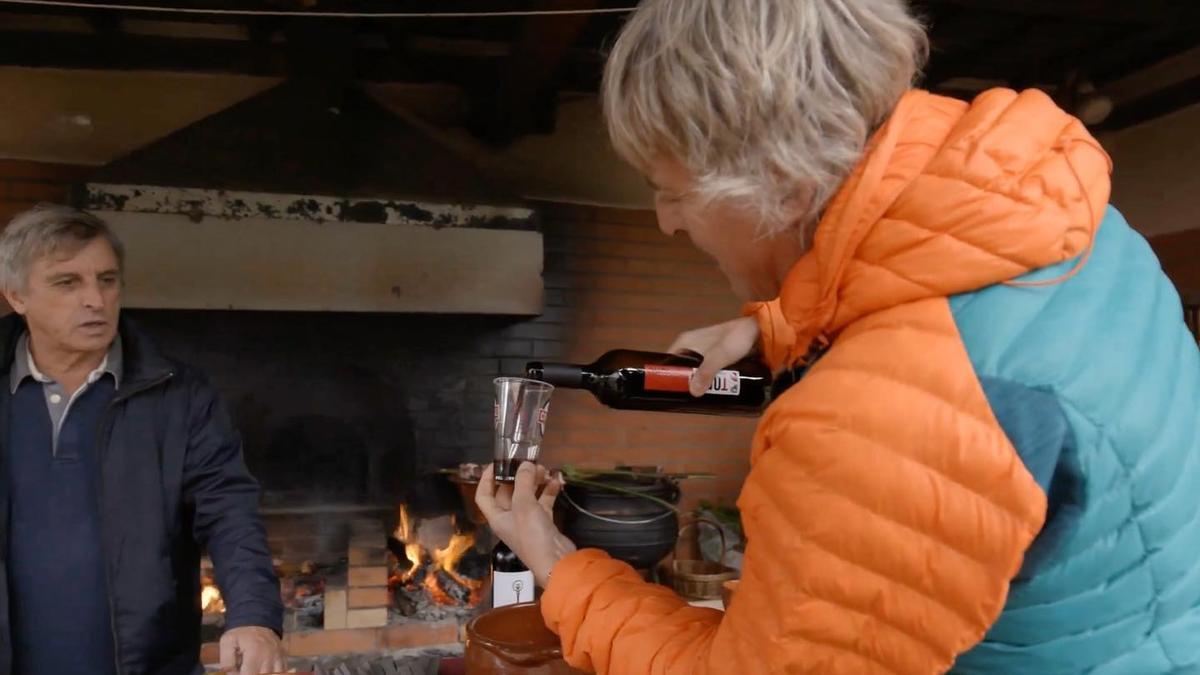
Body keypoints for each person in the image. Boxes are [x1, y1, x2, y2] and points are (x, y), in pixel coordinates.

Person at [475, 1, 1200, 673]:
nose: (667, 221)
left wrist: (553, 556)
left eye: (674, 191)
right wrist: (774, 324)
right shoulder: (1042, 205)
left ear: (784, 187)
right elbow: (935, 305)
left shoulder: (874, 426)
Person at [0, 204, 285, 674]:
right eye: (67, 283)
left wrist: (254, 615)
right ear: (16, 296)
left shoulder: (179, 394)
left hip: (146, 665)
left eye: (107, 280)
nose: (95, 299)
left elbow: (228, 509)